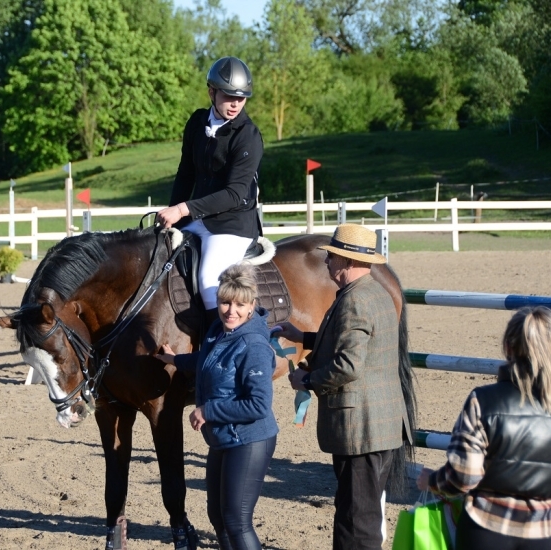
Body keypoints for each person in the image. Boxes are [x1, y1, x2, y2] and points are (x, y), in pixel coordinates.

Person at [276, 223, 411, 550]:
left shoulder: (354, 301)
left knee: (356, 521)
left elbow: (349, 364)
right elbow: (356, 343)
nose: (326, 262)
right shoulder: (374, 293)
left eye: (332, 257)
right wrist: (304, 337)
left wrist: (307, 379)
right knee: (359, 515)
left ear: (348, 262)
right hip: (379, 424)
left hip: (361, 428)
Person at [417, 306, 551, 550]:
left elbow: (464, 476)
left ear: (507, 347)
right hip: (543, 535)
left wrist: (432, 481)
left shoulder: (482, 400)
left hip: (484, 531)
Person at [156, 262, 278, 550]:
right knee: (218, 517)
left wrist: (207, 411)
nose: (231, 311)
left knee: (236, 521)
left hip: (249, 439)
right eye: (225, 302)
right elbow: (207, 360)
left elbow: (259, 404)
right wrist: (174, 360)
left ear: (252, 307)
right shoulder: (217, 331)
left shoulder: (254, 345)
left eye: (240, 305)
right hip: (223, 436)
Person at [156, 56, 263, 327]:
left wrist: (183, 209)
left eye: (241, 98)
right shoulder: (197, 122)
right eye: (229, 96)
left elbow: (234, 194)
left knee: (208, 280)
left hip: (232, 224)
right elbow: (186, 174)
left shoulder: (248, 135)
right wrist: (171, 217)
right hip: (198, 218)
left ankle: (222, 344)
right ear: (212, 93)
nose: (235, 104)